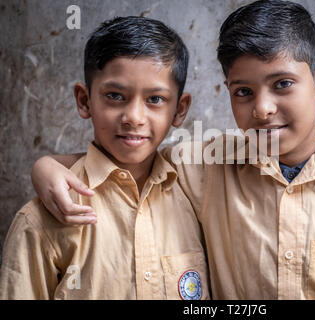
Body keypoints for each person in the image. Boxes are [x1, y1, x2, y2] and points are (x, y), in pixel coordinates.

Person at [28, 1, 315, 299]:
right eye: (243, 91)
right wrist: (46, 165)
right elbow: (126, 161)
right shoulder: (207, 166)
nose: (262, 108)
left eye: (283, 84)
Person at [0, 16, 210, 300]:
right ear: (85, 101)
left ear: (180, 109)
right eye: (115, 95)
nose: (134, 117)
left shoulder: (197, 195)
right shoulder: (43, 219)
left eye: (155, 99)